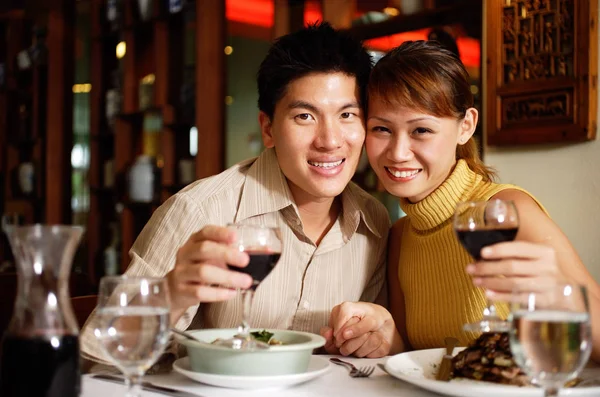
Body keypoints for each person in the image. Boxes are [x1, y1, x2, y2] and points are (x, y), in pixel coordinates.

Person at [80, 22, 390, 368]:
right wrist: (171, 294)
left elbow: (366, 355)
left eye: (347, 115)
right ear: (268, 128)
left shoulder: (373, 223)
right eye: (304, 116)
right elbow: (95, 353)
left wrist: (374, 337)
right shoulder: (200, 210)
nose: (330, 140)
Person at [322, 40, 600, 362]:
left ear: (465, 126)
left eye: (422, 130)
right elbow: (420, 359)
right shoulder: (400, 235)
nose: (397, 153)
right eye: (382, 128)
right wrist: (385, 335)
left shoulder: (507, 211)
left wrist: (561, 296)